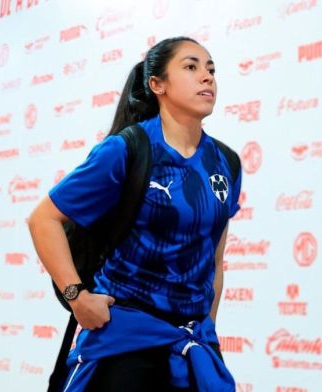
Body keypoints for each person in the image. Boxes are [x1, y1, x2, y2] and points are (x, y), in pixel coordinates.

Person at [27, 36, 240, 391]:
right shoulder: (126, 149)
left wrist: (208, 334)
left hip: (191, 347)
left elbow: (215, 260)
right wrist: (77, 297)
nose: (207, 77)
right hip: (124, 346)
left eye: (211, 69)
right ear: (157, 85)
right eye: (191, 67)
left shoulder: (226, 163)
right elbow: (42, 220)